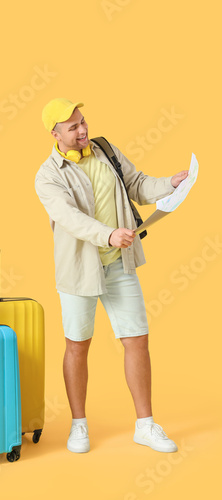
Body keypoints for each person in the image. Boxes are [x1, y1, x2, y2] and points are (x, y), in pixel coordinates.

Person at [35, 98, 188, 454]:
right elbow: (68, 217)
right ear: (55, 134)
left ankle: (145, 426)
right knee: (77, 345)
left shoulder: (104, 149)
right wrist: (107, 234)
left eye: (83, 121)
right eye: (73, 127)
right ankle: (78, 425)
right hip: (78, 269)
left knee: (137, 339)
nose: (83, 130)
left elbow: (136, 184)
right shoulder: (48, 175)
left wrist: (170, 183)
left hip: (119, 263)